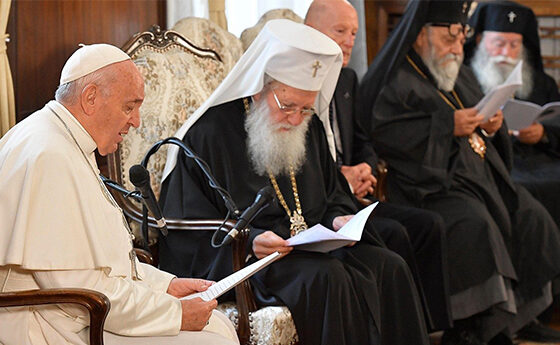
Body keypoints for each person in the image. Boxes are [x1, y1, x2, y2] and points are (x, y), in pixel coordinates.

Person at [159, 19, 430, 345]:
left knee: (391, 266)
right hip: (254, 262)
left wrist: (338, 218)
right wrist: (249, 240)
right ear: (260, 88)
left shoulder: (307, 126)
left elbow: (332, 192)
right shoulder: (210, 134)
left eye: (306, 108)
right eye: (287, 106)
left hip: (311, 248)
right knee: (328, 278)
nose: (296, 119)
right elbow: (184, 224)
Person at [0, 44, 239, 345]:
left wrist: (168, 286)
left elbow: (99, 264)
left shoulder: (61, 140)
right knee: (212, 339)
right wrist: (174, 313)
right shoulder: (49, 154)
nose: (136, 121)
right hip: (46, 324)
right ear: (90, 98)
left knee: (217, 326)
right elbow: (78, 291)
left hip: (74, 311)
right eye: (129, 107)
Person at [360, 1, 560, 344]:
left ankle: (520, 318)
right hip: (427, 184)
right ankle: (475, 327)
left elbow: (479, 112)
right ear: (421, 34)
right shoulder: (395, 78)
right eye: (449, 38)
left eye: (460, 37)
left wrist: (492, 124)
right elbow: (386, 133)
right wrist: (445, 126)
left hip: (474, 176)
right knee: (474, 225)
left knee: (530, 214)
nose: (457, 48)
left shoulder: (455, 70)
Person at [304, 0, 452, 331]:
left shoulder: (347, 80)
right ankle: (396, 331)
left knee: (429, 225)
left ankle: (432, 329)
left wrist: (366, 169)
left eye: (354, 33)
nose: (349, 40)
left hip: (354, 195)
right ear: (311, 32)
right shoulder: (296, 85)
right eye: (340, 31)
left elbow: (363, 140)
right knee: (394, 234)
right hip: (325, 202)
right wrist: (341, 178)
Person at [464, 0, 560, 229]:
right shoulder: (463, 79)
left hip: (538, 158)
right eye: (498, 43)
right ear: (479, 40)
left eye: (514, 45)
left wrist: (543, 134)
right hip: (493, 163)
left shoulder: (540, 82)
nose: (506, 53)